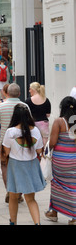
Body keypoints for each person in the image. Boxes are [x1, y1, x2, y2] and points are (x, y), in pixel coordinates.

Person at [2, 103, 46, 225]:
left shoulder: (10, 132)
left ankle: (13, 222)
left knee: (13, 197)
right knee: (31, 199)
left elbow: (6, 152)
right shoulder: (35, 130)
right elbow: (39, 151)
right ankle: (37, 223)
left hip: (15, 166)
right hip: (31, 165)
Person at [0, 83, 28, 202]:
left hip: (5, 142)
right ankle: (18, 194)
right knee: (21, 167)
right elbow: (31, 125)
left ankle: (9, 190)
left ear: (7, 93)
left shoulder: (2, 106)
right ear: (19, 93)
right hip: (21, 142)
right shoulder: (24, 106)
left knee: (5, 165)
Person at [45, 96, 76, 225]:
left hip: (60, 161)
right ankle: (73, 218)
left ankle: (54, 212)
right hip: (74, 160)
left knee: (57, 184)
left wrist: (46, 151)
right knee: (73, 187)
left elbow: (52, 142)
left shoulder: (59, 122)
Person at [25, 82, 51, 147]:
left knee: (34, 139)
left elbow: (26, 114)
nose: (29, 91)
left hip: (33, 123)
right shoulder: (46, 100)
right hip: (44, 123)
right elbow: (48, 115)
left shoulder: (28, 101)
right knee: (44, 139)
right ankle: (43, 153)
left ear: (33, 90)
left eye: (30, 89)